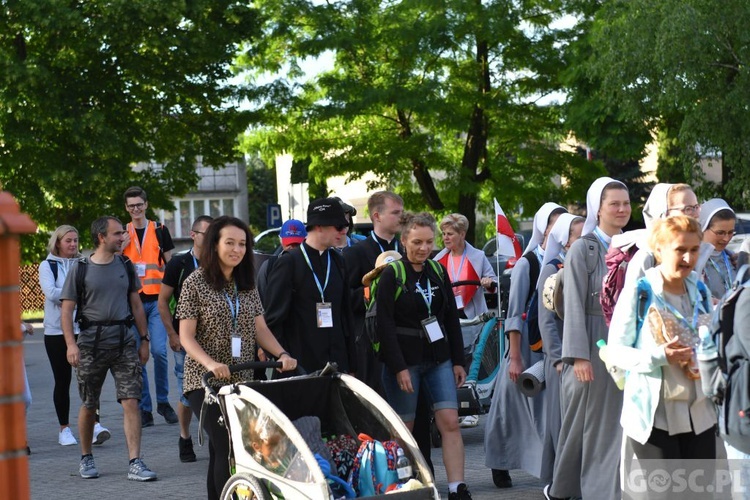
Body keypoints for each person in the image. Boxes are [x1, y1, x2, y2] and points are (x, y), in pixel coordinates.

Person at [177, 216, 297, 500]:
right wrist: (211, 364)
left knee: (222, 448)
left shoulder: (246, 283)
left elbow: (260, 328)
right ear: (214, 245)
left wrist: (281, 353)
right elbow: (186, 336)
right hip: (203, 381)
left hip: (242, 377)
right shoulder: (196, 282)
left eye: (242, 244)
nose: (237, 249)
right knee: (227, 443)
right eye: (229, 242)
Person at [609, 216, 716, 496]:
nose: (688, 257)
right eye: (680, 249)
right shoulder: (640, 291)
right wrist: (659, 357)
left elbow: (708, 338)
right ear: (660, 249)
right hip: (654, 417)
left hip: (700, 412)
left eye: (694, 250)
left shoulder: (700, 290)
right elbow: (616, 352)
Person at [376, 212, 471, 500]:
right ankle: (405, 486)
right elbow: (384, 325)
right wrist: (399, 367)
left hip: (438, 358)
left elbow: (450, 319)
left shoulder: (438, 271)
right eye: (417, 242)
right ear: (404, 241)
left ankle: (457, 487)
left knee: (450, 422)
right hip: (405, 362)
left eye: (429, 242)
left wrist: (457, 360)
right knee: (404, 429)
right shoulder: (392, 274)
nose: (424, 248)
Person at [61, 216, 156, 481]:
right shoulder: (80, 268)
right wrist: (71, 344)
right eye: (116, 234)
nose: (122, 237)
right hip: (90, 343)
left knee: (131, 401)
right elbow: (67, 312)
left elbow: (136, 305)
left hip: (124, 341)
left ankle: (135, 462)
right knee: (90, 403)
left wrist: (144, 339)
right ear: (102, 237)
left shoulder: (125, 265)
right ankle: (86, 457)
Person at [552, 177, 630, 500]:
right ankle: (566, 490)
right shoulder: (584, 250)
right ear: (597, 209)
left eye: (626, 203)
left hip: (625, 344)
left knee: (615, 426)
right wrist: (579, 355)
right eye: (614, 203)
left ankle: (608, 490)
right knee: (587, 427)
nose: (622, 209)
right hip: (592, 344)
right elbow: (572, 305)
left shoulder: (634, 246)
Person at [484, 202, 566, 489]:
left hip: (550, 346)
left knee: (544, 412)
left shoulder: (567, 260)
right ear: (544, 230)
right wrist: (515, 357)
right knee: (508, 407)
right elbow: (514, 313)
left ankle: (545, 466)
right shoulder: (527, 264)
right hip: (525, 348)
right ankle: (499, 460)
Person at [264, 198, 357, 374]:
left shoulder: (339, 261)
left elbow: (346, 316)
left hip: (337, 363)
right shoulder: (289, 263)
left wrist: (352, 364)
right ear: (319, 226)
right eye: (338, 226)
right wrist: (280, 357)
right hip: (300, 365)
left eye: (345, 226)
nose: (344, 231)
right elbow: (273, 319)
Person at [39, 225, 110, 446]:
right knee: (63, 380)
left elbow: (94, 290)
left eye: (76, 240)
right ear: (58, 242)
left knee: (90, 378)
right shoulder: (47, 265)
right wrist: (78, 291)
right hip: (56, 331)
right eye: (68, 240)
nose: (73, 244)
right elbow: (51, 294)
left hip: (84, 329)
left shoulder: (83, 263)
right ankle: (64, 429)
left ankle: (95, 425)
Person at [535, 213, 584, 499]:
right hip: (562, 360)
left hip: (583, 356)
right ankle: (558, 484)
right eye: (577, 235)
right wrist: (555, 357)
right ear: (565, 241)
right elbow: (547, 320)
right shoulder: (552, 270)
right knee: (562, 424)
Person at [157, 215, 213, 463]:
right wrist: (172, 334)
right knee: (187, 393)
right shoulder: (178, 263)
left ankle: (216, 437)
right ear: (193, 235)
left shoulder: (220, 263)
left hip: (214, 340)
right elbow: (162, 302)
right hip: (185, 340)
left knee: (214, 389)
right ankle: (185, 436)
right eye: (206, 234)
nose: (211, 239)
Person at [121, 186, 178, 428]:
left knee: (159, 352)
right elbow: (114, 261)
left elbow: (172, 264)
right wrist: (119, 244)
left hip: (156, 300)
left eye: (139, 204)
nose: (136, 208)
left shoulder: (160, 230)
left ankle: (163, 402)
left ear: (146, 205)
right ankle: (145, 408)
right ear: (126, 208)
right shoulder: (121, 233)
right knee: (138, 357)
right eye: (131, 205)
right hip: (133, 302)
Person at [434, 213, 496, 427]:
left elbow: (493, 280)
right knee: (451, 360)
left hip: (472, 315)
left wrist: (488, 281)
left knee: (471, 359)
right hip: (449, 317)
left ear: (462, 234)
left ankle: (471, 407)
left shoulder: (478, 256)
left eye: (450, 233)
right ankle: (453, 405)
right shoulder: (438, 259)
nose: (445, 238)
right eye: (443, 234)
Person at [343, 191, 404, 391]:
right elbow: (346, 298)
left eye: (402, 212)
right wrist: (374, 294)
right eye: (395, 213)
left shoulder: (408, 250)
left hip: (406, 338)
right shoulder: (356, 252)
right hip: (372, 344)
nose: (401, 218)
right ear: (377, 216)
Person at [256, 218, 306, 304]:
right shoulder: (269, 266)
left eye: (296, 244)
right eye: (289, 243)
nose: (292, 248)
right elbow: (260, 302)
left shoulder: (313, 265)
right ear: (281, 240)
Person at [700, 198, 737, 301]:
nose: (726, 238)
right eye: (720, 233)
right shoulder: (693, 261)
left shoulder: (733, 258)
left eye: (730, 232)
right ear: (703, 228)